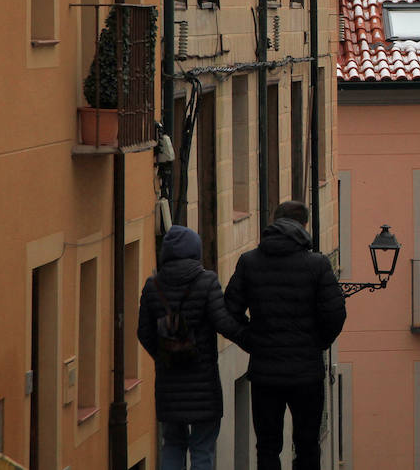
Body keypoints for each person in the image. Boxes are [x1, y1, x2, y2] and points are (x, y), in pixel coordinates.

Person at [225, 200, 346, 470]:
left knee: (267, 447)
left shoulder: (249, 261)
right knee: (307, 444)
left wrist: (251, 340)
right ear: (304, 226)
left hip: (265, 373)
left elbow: (228, 312)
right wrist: (318, 343)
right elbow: (335, 314)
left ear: (273, 222)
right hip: (307, 373)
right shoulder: (317, 264)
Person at [138, 225, 247, 470]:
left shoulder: (152, 286)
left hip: (168, 383)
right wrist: (253, 340)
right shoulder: (206, 281)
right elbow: (224, 323)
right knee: (202, 447)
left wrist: (165, 354)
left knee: (173, 444)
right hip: (203, 382)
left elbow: (143, 332)